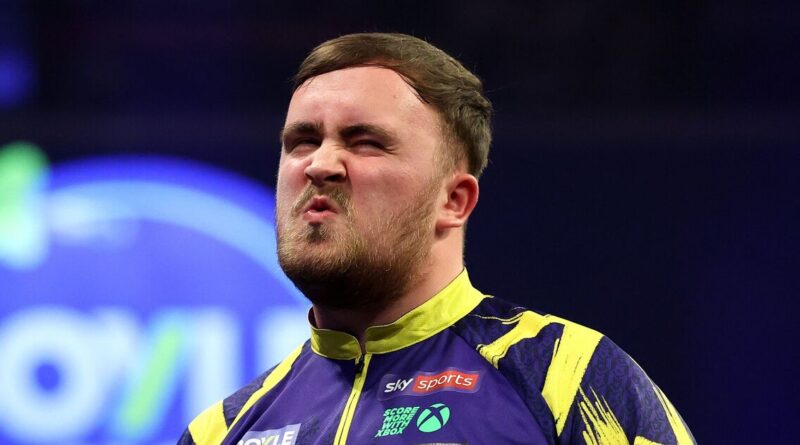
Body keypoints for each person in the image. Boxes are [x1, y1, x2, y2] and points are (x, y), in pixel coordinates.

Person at [179, 33, 695, 445]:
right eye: (302, 141)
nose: (319, 164)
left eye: (365, 142)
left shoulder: (566, 377)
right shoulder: (222, 430)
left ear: (454, 201)